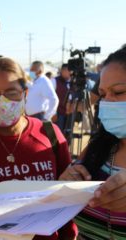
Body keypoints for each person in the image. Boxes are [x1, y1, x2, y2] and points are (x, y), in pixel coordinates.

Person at [0, 57, 77, 240]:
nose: (2, 101)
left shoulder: (49, 133)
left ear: (25, 93)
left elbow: (68, 195)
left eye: (11, 92)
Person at [59, 47, 126, 239]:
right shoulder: (98, 149)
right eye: (103, 94)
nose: (108, 102)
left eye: (119, 91)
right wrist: (65, 185)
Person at [53, 64, 71, 131]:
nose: (69, 72)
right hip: (59, 112)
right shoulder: (55, 81)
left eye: (69, 70)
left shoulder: (73, 82)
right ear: (62, 71)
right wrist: (53, 113)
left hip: (70, 112)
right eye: (66, 70)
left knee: (69, 132)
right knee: (59, 131)